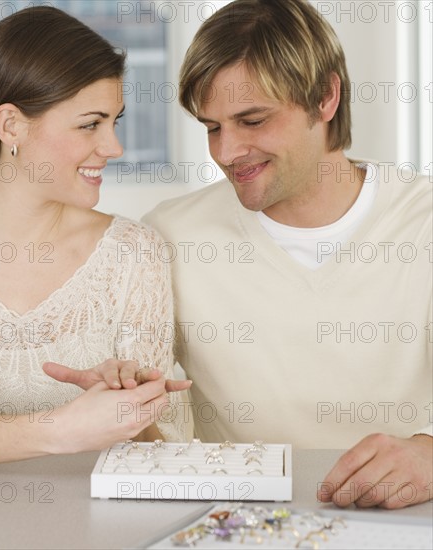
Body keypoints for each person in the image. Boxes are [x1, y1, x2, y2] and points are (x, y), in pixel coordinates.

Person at [143, 0, 432, 509]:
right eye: (212, 127)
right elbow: (142, 420)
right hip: (240, 531)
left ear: (325, 97)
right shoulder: (168, 237)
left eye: (252, 120)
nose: (227, 152)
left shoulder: (422, 219)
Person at [0, 6, 189, 470]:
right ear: (10, 126)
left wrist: (128, 405)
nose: (114, 147)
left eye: (115, 121)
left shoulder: (133, 253)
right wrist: (59, 430)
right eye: (90, 124)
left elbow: (154, 456)